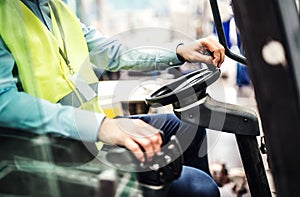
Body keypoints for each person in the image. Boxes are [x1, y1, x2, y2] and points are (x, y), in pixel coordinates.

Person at [0, 0, 225, 196]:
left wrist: (178, 52)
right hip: (49, 152)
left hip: (90, 134)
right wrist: (100, 126)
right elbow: (4, 103)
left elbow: (113, 52)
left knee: (189, 128)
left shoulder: (56, 10)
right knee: (200, 188)